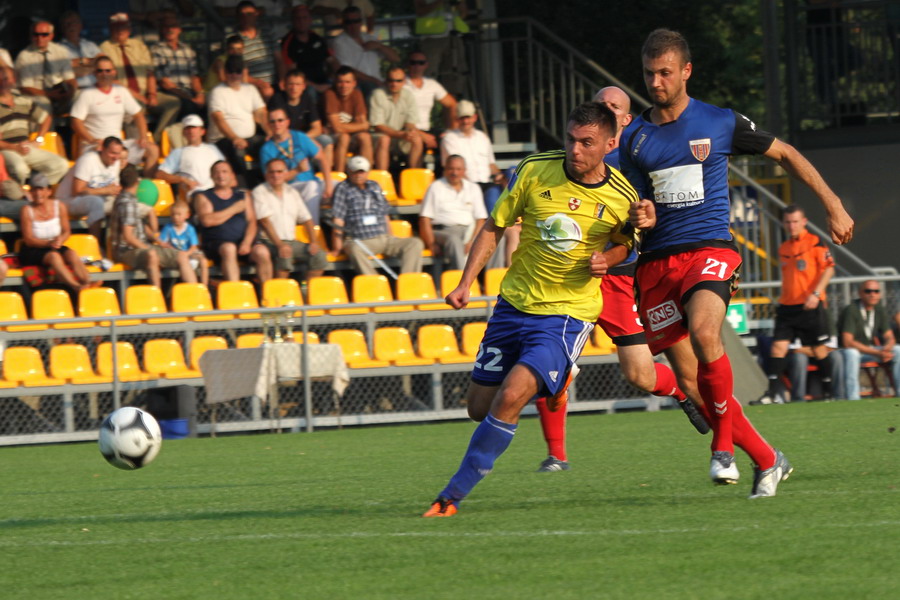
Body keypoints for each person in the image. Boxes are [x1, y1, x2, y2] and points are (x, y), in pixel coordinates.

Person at [622, 29, 853, 498]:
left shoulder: (720, 121)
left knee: (707, 332)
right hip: (656, 265)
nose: (656, 81)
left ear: (687, 71)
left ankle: (722, 450)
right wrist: (638, 214)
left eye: (665, 72)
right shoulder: (634, 137)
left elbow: (785, 152)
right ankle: (768, 459)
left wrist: (832, 203)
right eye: (649, 73)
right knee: (692, 383)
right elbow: (634, 201)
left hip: (709, 250)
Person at [422, 102, 636, 517]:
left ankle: (451, 496)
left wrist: (606, 260)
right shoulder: (535, 168)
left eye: (587, 143)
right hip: (514, 304)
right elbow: (495, 225)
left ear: (609, 145)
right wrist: (465, 283)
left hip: (567, 314)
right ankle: (549, 381)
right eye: (571, 139)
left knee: (512, 396)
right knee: (478, 409)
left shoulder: (622, 195)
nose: (575, 150)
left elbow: (628, 243)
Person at [534, 86, 710, 473]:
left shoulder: (636, 161)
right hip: (565, 280)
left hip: (618, 278)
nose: (604, 111)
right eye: (600, 105)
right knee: (545, 369)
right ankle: (556, 455)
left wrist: (646, 219)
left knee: (640, 374)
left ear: (624, 122)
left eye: (613, 107)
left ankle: (684, 393)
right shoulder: (569, 158)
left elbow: (655, 211)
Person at [758, 205, 836, 404]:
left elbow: (829, 269)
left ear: (804, 222)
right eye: (787, 222)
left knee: (819, 349)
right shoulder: (784, 247)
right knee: (777, 348)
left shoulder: (815, 242)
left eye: (795, 221)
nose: (791, 225)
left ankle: (829, 392)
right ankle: (773, 394)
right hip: (787, 306)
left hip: (810, 305)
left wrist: (816, 294)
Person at [330, 155, 424, 276]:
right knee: (354, 250)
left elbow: (384, 214)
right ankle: (375, 284)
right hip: (359, 240)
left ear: (367, 172)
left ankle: (408, 282)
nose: (358, 175)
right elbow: (338, 219)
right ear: (349, 171)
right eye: (354, 171)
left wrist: (389, 235)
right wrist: (337, 247)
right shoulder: (343, 188)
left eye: (361, 171)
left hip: (383, 237)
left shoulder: (375, 186)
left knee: (415, 243)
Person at [69, 55, 160, 176]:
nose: (104, 74)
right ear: (94, 73)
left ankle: (146, 186)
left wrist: (143, 137)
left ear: (114, 72)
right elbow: (75, 121)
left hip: (118, 144)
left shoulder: (121, 91)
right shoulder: (86, 93)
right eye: (100, 71)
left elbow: (138, 115)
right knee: (117, 154)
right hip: (94, 145)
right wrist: (92, 140)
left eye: (108, 70)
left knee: (152, 149)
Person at [110, 165, 197, 288]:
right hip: (126, 251)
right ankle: (157, 297)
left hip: (139, 246)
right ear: (137, 182)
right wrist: (147, 248)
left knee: (181, 255)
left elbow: (141, 227)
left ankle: (195, 293)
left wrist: (158, 241)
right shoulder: (127, 203)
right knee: (152, 255)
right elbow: (128, 237)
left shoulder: (132, 201)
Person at [99, 12, 180, 141]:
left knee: (173, 103)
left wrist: (152, 94)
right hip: (123, 94)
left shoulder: (138, 45)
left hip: (145, 92)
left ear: (129, 29)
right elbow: (111, 79)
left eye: (123, 28)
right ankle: (139, 145)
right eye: (117, 28)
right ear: (110, 29)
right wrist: (138, 96)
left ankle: (158, 139)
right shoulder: (104, 47)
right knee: (136, 108)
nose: (120, 31)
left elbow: (150, 72)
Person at [195, 160, 272, 283]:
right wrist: (234, 209)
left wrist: (247, 243)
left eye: (224, 172)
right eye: (217, 172)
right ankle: (234, 292)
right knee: (229, 248)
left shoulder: (243, 196)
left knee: (262, 251)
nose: (221, 175)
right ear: (211, 176)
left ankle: (268, 295)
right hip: (217, 245)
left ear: (232, 175)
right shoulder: (203, 196)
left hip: (243, 244)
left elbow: (252, 221)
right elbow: (207, 221)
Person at [18, 173, 93, 292]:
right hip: (34, 249)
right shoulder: (26, 210)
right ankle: (75, 286)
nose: (38, 194)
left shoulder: (59, 206)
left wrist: (60, 240)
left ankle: (87, 283)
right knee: (54, 257)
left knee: (72, 254)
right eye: (34, 190)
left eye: (41, 189)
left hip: (53, 244)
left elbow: (66, 231)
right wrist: (48, 244)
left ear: (48, 191)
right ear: (31, 193)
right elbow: (29, 240)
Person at [254, 158, 327, 280]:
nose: (275, 175)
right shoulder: (259, 192)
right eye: (272, 172)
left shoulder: (292, 192)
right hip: (269, 241)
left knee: (319, 255)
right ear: (266, 174)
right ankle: (280, 293)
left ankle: (306, 291)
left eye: (279, 171)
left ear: (286, 174)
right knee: (285, 254)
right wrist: (280, 245)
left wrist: (314, 242)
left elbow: (307, 219)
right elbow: (264, 222)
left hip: (291, 241)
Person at [207, 55, 270, 188]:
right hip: (223, 140)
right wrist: (235, 138)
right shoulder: (217, 92)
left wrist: (270, 132)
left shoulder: (251, 89)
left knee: (268, 144)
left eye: (238, 71)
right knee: (237, 150)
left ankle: (269, 183)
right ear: (225, 72)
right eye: (230, 71)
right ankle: (246, 188)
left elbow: (261, 113)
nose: (234, 75)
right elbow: (219, 120)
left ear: (243, 72)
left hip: (249, 138)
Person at [0, 67, 69, 187]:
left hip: (25, 146)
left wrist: (38, 140)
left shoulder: (23, 101)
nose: (2, 82)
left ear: (13, 80)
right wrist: (14, 147)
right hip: (6, 150)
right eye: (0, 79)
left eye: (6, 79)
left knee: (61, 164)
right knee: (20, 169)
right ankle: (21, 198)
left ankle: (37, 190)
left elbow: (46, 118)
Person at [259, 107, 327, 224]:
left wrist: (329, 186)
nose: (277, 124)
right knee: (311, 187)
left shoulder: (299, 137)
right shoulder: (266, 149)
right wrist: (297, 170)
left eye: (280, 120)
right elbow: (272, 179)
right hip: (289, 187)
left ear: (287, 122)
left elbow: (322, 158)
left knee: (341, 185)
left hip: (315, 181)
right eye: (273, 121)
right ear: (268, 125)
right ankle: (315, 230)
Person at [418, 154, 486, 271]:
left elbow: (480, 219)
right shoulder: (435, 187)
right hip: (443, 231)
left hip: (469, 230)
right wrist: (431, 244)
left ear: (464, 171)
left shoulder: (473, 188)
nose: (455, 172)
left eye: (458, 169)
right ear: (445, 169)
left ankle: (494, 281)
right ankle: (461, 281)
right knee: (454, 240)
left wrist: (472, 241)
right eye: (451, 169)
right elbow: (424, 218)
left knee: (496, 239)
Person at [267, 69, 335, 184]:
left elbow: (317, 128)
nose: (294, 88)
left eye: (298, 84)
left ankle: (326, 179)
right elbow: (276, 126)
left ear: (303, 86)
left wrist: (303, 139)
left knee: (326, 141)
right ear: (284, 85)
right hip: (283, 140)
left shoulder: (307, 99)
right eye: (291, 84)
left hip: (302, 138)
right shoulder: (277, 99)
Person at [837, 280, 900, 400]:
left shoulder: (879, 309)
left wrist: (887, 347)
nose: (873, 294)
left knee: (897, 350)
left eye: (876, 291)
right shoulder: (851, 310)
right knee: (852, 354)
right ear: (860, 293)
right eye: (868, 291)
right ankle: (853, 398)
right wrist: (878, 353)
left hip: (868, 350)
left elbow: (889, 336)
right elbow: (848, 342)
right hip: (845, 352)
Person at [57, 136, 128, 241]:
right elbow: (77, 190)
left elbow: (113, 187)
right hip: (68, 200)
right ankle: (96, 245)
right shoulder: (88, 160)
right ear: (102, 149)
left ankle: (118, 245)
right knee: (96, 202)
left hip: (97, 197)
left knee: (125, 203)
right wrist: (105, 190)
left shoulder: (116, 162)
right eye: (112, 153)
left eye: (118, 153)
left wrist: (116, 191)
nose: (115, 157)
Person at [440, 100, 505, 212]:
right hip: (465, 184)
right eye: (462, 118)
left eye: (468, 117)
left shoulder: (482, 137)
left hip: (486, 183)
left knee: (511, 174)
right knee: (491, 196)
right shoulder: (449, 139)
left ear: (474, 117)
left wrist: (499, 175)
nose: (465, 121)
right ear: (457, 119)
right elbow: (453, 168)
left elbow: (491, 164)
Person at [329, 6, 399, 97]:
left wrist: (380, 46)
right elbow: (348, 71)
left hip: (377, 83)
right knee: (371, 88)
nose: (353, 25)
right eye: (348, 22)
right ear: (343, 24)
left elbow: (396, 58)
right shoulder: (339, 42)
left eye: (356, 21)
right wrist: (375, 81)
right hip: (358, 85)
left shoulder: (369, 38)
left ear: (361, 22)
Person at [14, 20, 77, 118]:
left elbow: (70, 78)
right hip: (37, 93)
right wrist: (49, 94)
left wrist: (70, 93)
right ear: (31, 36)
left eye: (44, 35)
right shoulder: (24, 56)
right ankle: (46, 132)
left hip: (59, 90)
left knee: (81, 97)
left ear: (51, 36)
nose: (40, 38)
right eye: (36, 34)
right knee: (43, 103)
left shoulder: (60, 51)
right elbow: (25, 88)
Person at [156, 114, 226, 201]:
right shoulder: (178, 152)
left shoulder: (212, 148)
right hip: (197, 195)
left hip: (218, 191)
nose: (191, 131)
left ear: (202, 131)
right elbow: (160, 174)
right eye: (188, 128)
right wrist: (182, 179)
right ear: (183, 132)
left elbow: (226, 169)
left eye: (194, 128)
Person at [150, 14, 206, 123]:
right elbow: (164, 83)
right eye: (166, 26)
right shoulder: (156, 49)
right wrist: (190, 99)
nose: (170, 29)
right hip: (170, 92)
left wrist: (200, 94)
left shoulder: (188, 50)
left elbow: (194, 77)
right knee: (189, 106)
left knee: (209, 103)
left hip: (188, 92)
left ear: (179, 29)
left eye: (173, 26)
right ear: (162, 30)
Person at [370, 66, 424, 171]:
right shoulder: (377, 94)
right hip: (379, 137)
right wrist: (401, 134)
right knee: (384, 139)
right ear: (386, 81)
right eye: (391, 80)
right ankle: (383, 178)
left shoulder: (408, 95)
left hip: (400, 137)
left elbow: (410, 122)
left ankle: (415, 177)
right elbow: (378, 126)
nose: (394, 84)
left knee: (417, 139)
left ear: (404, 82)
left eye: (398, 81)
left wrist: (410, 132)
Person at [413, 0, 470, 99]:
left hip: (453, 36)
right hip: (431, 38)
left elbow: (463, 12)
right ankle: (425, 105)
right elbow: (420, 11)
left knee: (455, 78)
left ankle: (452, 107)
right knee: (428, 76)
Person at [227, 0, 282, 99]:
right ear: (237, 17)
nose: (245, 17)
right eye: (242, 14)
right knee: (267, 92)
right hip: (249, 84)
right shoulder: (233, 39)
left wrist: (283, 80)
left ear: (256, 14)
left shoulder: (268, 33)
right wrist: (258, 82)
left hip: (273, 82)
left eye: (249, 14)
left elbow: (279, 59)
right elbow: (233, 67)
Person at [404, 49, 457, 151]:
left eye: (421, 63)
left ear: (426, 65)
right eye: (413, 62)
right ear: (407, 64)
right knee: (418, 141)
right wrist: (421, 135)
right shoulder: (400, 83)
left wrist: (451, 131)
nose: (417, 66)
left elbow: (452, 104)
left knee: (451, 142)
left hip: (427, 129)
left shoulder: (431, 84)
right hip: (407, 131)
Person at [279, 4, 338, 94]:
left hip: (324, 81)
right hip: (304, 86)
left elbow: (333, 61)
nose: (301, 21)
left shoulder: (317, 38)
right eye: (298, 18)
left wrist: (332, 79)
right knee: (311, 92)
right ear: (293, 21)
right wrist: (316, 87)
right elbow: (292, 74)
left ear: (310, 20)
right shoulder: (288, 43)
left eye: (305, 18)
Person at [323, 66, 373, 173]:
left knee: (365, 137)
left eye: (347, 82)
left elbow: (363, 126)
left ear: (354, 83)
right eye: (340, 82)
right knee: (344, 137)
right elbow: (337, 128)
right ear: (335, 83)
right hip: (331, 135)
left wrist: (359, 126)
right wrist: (360, 126)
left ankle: (367, 175)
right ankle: (339, 175)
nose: (344, 86)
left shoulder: (357, 94)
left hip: (351, 134)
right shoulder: (330, 94)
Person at [158, 200, 209, 286]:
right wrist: (168, 247)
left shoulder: (189, 229)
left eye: (179, 214)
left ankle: (205, 287)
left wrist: (187, 253)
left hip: (188, 252)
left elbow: (193, 246)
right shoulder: (168, 228)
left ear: (187, 215)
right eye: (173, 214)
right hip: (175, 254)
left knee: (203, 261)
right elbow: (162, 242)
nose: (176, 217)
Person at [58, 11, 101, 91]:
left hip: (97, 88)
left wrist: (77, 64)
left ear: (80, 26)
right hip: (75, 91)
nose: (71, 26)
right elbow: (62, 72)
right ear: (62, 28)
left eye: (74, 23)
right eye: (67, 23)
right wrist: (90, 64)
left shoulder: (90, 45)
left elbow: (103, 63)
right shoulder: (57, 48)